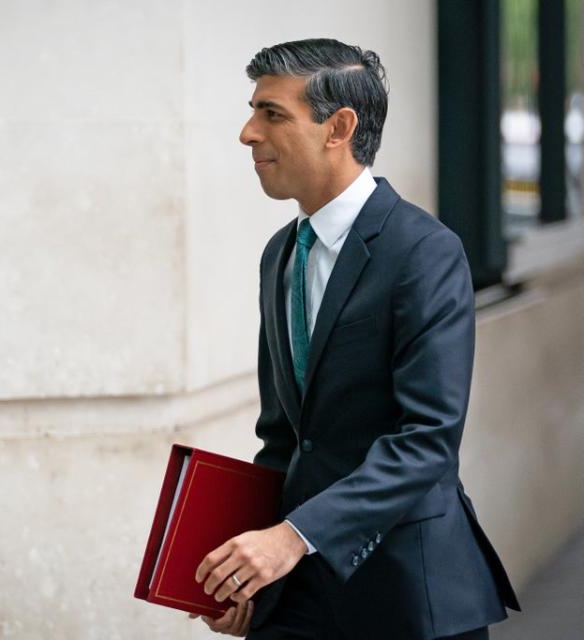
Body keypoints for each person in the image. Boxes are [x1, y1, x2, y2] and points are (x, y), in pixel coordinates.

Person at [188, 39, 521, 639]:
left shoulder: (424, 251)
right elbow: (285, 439)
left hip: (407, 594)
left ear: (339, 127)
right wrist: (248, 578)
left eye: (272, 114)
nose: (247, 133)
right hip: (299, 597)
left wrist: (288, 540)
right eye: (253, 110)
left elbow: (427, 441)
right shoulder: (281, 254)